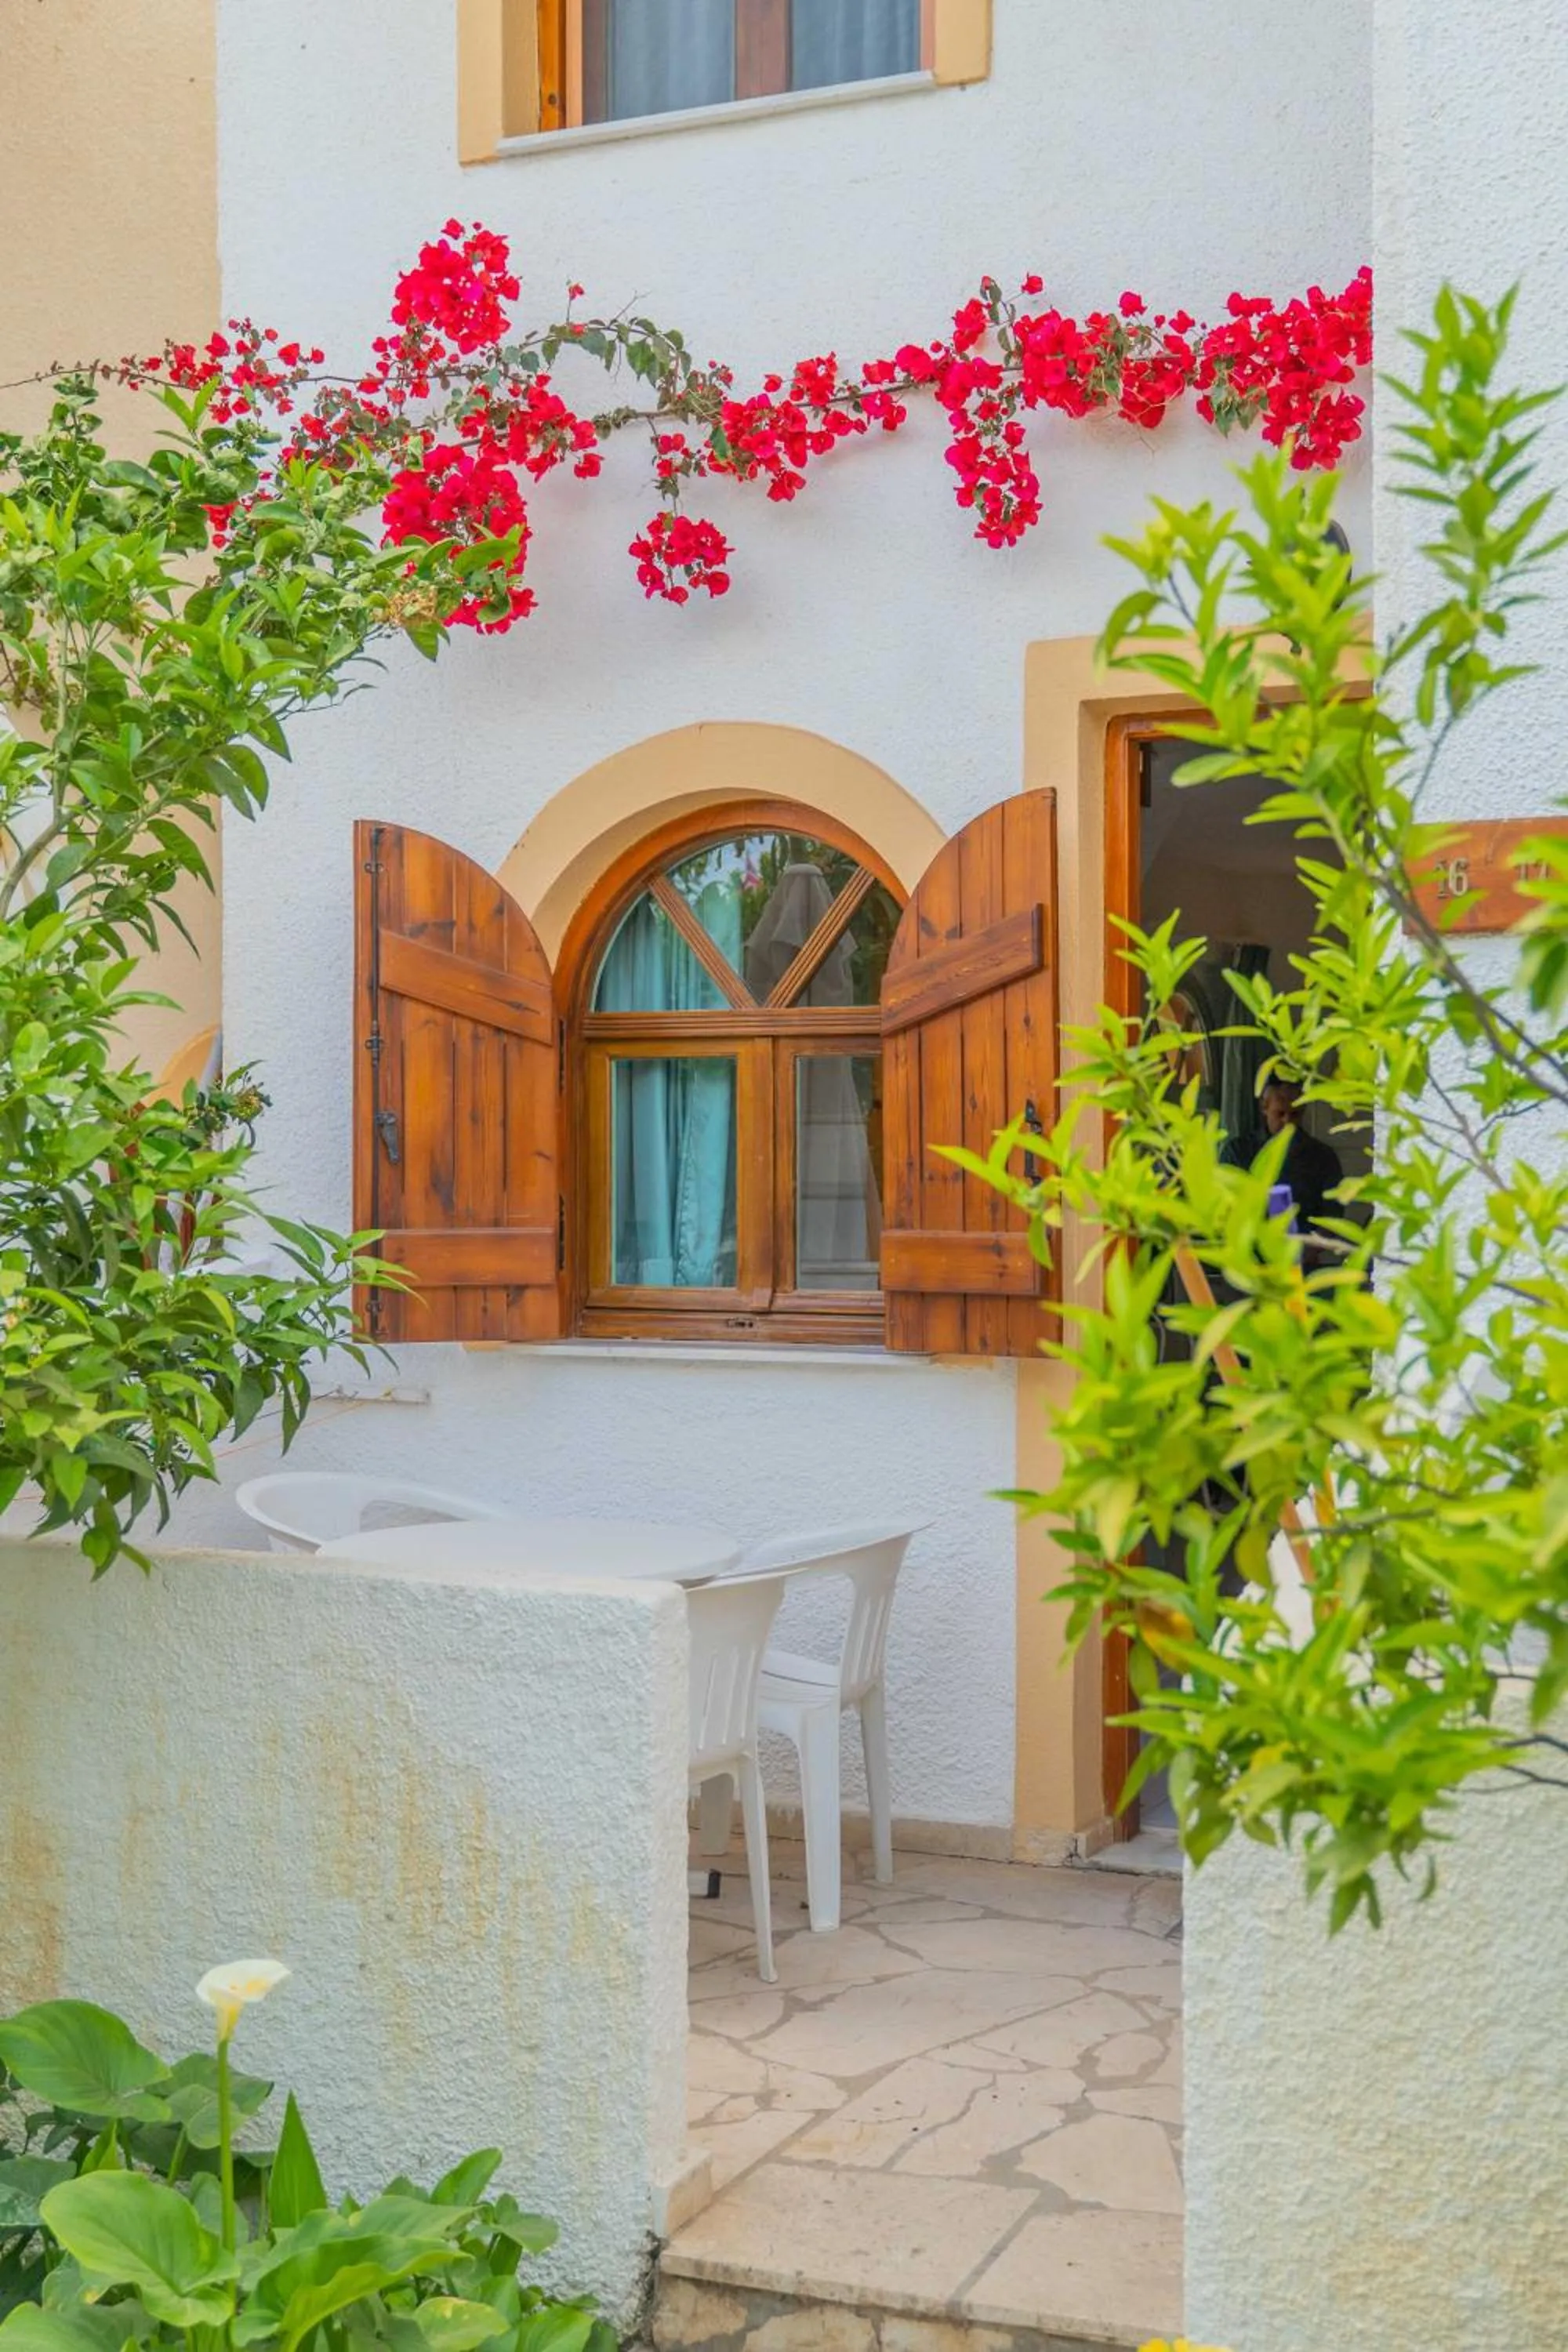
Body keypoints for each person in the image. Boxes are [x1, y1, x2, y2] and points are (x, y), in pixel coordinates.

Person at [1223, 1076, 1343, 1235]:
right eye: (1280, 1114)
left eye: (1295, 1114)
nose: (1287, 1121)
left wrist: (1312, 1245)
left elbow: (1333, 1216)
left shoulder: (1323, 1157)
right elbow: (1224, 1208)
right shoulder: (1237, 1152)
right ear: (1264, 1108)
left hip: (1305, 1244)